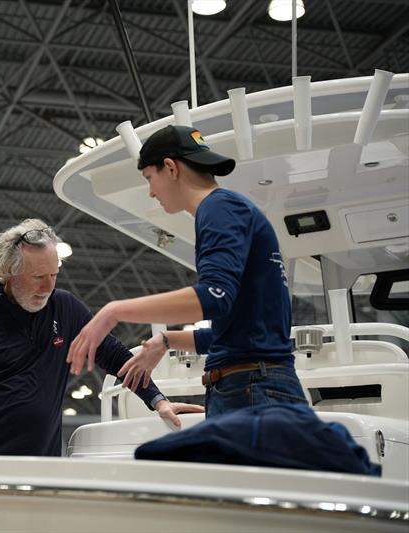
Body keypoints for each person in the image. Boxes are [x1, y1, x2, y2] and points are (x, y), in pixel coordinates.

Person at [67, 125, 306, 417]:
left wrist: (113, 311)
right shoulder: (231, 209)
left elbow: (214, 297)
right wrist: (166, 341)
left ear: (170, 167)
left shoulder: (219, 208)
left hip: (250, 386)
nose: (151, 192)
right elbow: (235, 333)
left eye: (149, 178)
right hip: (255, 383)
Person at [0, 219, 203, 456]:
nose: (48, 287)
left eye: (54, 275)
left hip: (42, 466)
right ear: (9, 273)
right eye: (38, 277)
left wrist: (158, 400)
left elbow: (115, 355)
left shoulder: (66, 308)